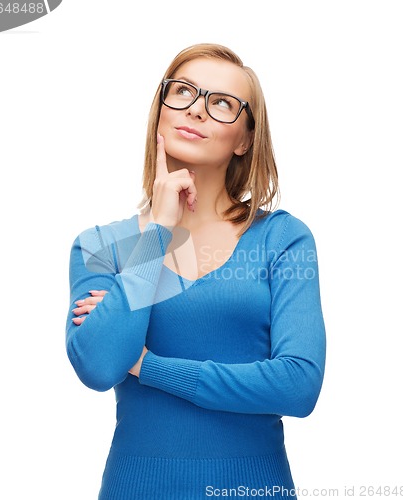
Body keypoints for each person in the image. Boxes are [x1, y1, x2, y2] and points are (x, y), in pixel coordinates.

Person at [66, 43, 326, 499]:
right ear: (161, 111)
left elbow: (299, 384)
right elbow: (100, 364)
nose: (197, 110)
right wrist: (159, 230)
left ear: (245, 139)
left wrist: (150, 367)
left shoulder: (283, 240)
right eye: (183, 91)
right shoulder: (100, 246)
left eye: (222, 102)